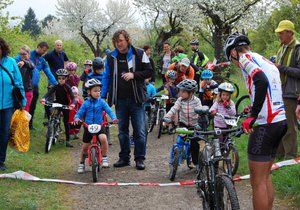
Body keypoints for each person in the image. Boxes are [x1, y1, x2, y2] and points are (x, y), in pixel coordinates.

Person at [224, 32, 287, 210]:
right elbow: (269, 89)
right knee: (265, 177)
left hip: (266, 124)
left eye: (231, 59)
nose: (235, 63)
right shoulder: (263, 59)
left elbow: (261, 81)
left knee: (257, 181)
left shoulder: (245, 58)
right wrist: (253, 108)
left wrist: (253, 115)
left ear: (234, 52)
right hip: (280, 121)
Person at [101, 29, 153, 170]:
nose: (119, 43)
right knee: (122, 131)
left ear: (127, 40)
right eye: (116, 41)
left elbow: (150, 71)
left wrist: (134, 75)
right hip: (120, 100)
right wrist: (103, 96)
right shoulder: (111, 57)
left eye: (121, 41)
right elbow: (106, 76)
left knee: (139, 131)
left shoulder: (139, 53)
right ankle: (124, 158)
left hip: (137, 100)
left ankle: (140, 159)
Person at [74, 79, 118, 172]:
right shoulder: (86, 103)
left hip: (99, 125)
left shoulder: (101, 102)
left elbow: (109, 111)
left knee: (103, 139)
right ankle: (81, 163)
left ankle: (105, 157)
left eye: (99, 91)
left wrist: (114, 118)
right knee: (85, 147)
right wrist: (76, 118)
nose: (98, 93)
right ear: (89, 92)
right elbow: (79, 113)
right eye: (95, 91)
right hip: (88, 126)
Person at [15, 42, 58, 130]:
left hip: (34, 87)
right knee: (20, 106)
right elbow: (15, 63)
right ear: (38, 47)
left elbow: (48, 73)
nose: (44, 52)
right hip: (23, 87)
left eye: (46, 51)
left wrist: (56, 84)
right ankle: (17, 126)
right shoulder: (26, 54)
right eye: (43, 50)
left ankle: (29, 125)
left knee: (32, 106)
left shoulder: (42, 60)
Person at [274, 20, 300, 159]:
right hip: (280, 92)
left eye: (281, 33)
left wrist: (281, 68)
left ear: (290, 33)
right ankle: (279, 155)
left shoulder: (297, 48)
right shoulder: (282, 47)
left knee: (290, 127)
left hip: (291, 93)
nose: (279, 35)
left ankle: (290, 158)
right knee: (280, 125)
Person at [0, 37, 26, 171]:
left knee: (4, 133)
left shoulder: (11, 62)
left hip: (7, 105)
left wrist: (23, 100)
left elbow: (18, 82)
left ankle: (1, 161)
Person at [164, 79, 202, 167]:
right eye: (180, 91)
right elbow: (174, 109)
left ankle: (195, 162)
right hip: (183, 123)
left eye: (183, 91)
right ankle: (174, 158)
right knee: (179, 140)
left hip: (194, 124)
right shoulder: (180, 100)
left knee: (194, 144)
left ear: (191, 93)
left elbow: (200, 111)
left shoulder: (197, 101)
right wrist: (167, 117)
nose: (180, 93)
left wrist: (201, 120)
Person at [41, 69, 75, 148]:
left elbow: (73, 98)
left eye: (63, 78)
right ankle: (50, 122)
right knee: (47, 106)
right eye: (59, 78)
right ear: (57, 79)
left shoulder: (67, 87)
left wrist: (72, 104)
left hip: (65, 105)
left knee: (66, 123)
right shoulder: (55, 86)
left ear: (66, 79)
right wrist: (43, 98)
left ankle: (67, 140)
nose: (61, 80)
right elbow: (48, 93)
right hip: (57, 103)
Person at [16, 45, 35, 112]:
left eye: (24, 54)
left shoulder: (30, 63)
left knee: (24, 112)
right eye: (21, 54)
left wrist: (24, 62)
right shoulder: (17, 63)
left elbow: (32, 66)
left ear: (28, 54)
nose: (22, 55)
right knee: (16, 112)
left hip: (27, 91)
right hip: (18, 91)